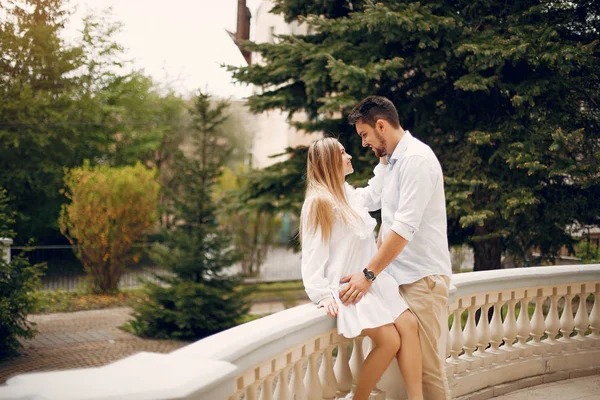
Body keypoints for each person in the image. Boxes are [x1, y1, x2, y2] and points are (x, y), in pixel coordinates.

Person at [340, 96, 453, 400]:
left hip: (421, 280)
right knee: (401, 377)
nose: (363, 144)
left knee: (428, 372)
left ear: (381, 125)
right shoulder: (390, 163)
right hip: (398, 281)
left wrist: (368, 275)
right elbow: (368, 199)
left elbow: (403, 228)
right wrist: (331, 193)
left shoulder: (417, 160)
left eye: (364, 135)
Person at [300, 137, 424, 400]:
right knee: (390, 341)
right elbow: (313, 254)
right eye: (343, 153)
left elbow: (374, 193)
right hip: (349, 287)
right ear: (329, 162)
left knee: (409, 324)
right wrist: (321, 294)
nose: (350, 156)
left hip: (373, 281)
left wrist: (383, 158)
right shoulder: (319, 202)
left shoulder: (347, 194)